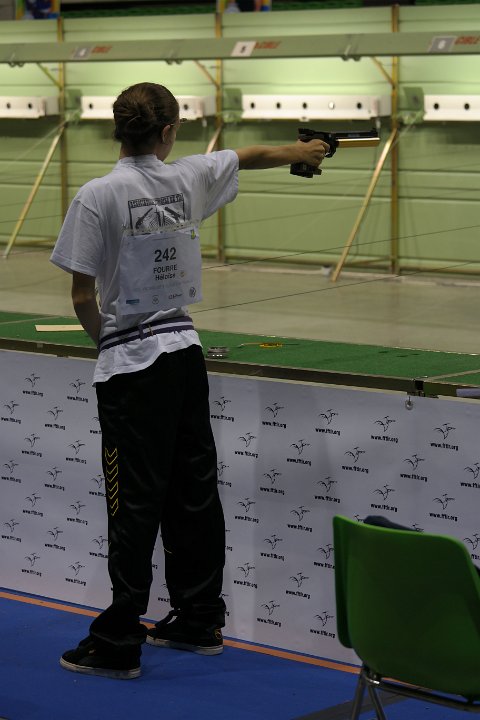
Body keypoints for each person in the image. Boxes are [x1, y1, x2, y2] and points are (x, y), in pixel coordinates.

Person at [50, 81, 328, 680]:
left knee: (133, 503)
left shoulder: (97, 195)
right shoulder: (187, 179)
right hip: (183, 354)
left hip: (133, 366)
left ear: (117, 129)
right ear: (169, 131)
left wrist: (110, 344)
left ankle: (119, 639)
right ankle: (199, 618)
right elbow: (247, 155)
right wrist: (302, 152)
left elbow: (80, 297)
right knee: (193, 491)